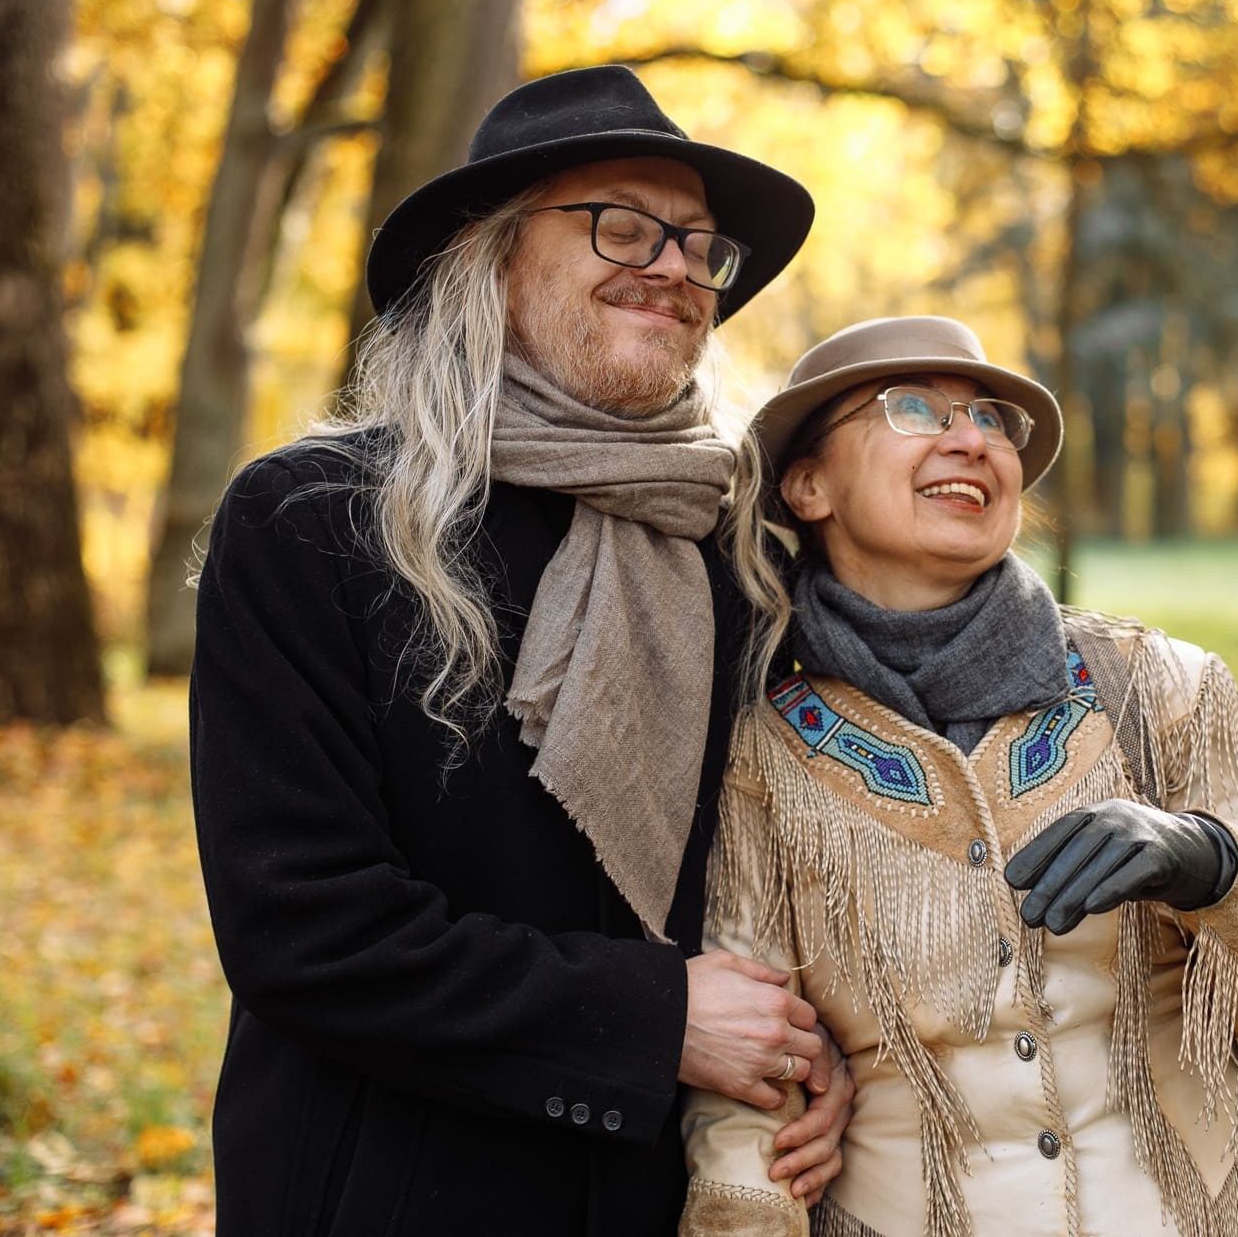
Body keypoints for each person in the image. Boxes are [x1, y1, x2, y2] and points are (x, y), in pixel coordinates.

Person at [189, 66, 853, 1236]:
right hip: (390, 1182)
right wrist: (654, 1020)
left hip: (680, 1190)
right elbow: (304, 927)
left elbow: (817, 865)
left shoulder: (748, 549)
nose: (675, 267)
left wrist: (827, 1048)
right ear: (489, 259)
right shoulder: (317, 522)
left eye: (701, 247)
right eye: (622, 224)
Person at [679, 316, 1238, 1237]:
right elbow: (747, 1093)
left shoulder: (1162, 689)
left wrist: (1210, 864)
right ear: (807, 484)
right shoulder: (760, 754)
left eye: (992, 419)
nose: (972, 438)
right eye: (913, 408)